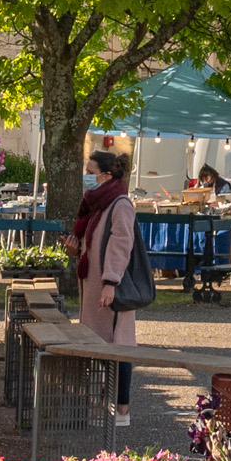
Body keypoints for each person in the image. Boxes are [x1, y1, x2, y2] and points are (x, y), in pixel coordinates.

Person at [72, 147, 144, 428]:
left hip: (110, 288)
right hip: (93, 287)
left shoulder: (120, 204)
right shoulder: (96, 204)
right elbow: (93, 245)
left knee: (119, 346)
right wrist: (74, 249)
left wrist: (110, 282)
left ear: (107, 175)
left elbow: (120, 245)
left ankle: (122, 409)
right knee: (97, 346)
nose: (86, 178)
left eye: (90, 173)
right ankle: (98, 406)